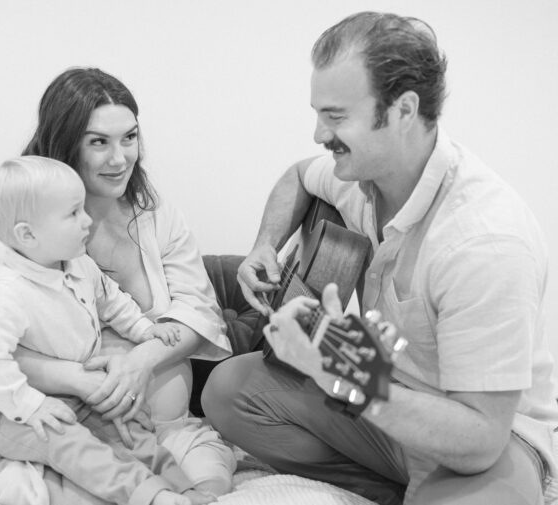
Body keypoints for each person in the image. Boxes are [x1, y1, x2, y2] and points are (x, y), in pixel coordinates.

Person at [204, 11, 558, 505]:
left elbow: (481, 439)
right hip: (382, 393)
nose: (317, 134)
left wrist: (338, 369)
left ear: (402, 111)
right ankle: (389, 489)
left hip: (488, 439)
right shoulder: (360, 175)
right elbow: (297, 177)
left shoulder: (485, 241)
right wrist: (266, 244)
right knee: (226, 391)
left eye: (335, 116)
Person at [0, 68, 236, 502]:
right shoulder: (17, 248)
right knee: (87, 480)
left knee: (212, 480)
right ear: (65, 143)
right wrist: (75, 378)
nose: (120, 158)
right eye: (99, 142)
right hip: (74, 425)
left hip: (160, 429)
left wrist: (140, 361)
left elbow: (199, 311)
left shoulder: (158, 216)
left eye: (129, 137)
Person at [0, 155, 208, 505]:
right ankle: (151, 497)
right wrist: (32, 406)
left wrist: (144, 330)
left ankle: (185, 490)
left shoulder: (79, 264)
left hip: (79, 397)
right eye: (73, 214)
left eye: (83, 209)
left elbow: (112, 301)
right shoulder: (8, 294)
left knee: (132, 428)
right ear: (27, 234)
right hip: (14, 410)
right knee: (74, 445)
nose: (87, 221)